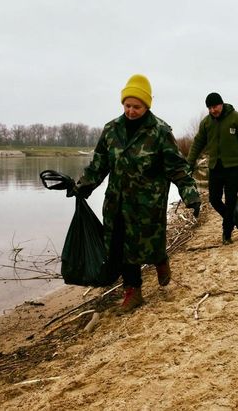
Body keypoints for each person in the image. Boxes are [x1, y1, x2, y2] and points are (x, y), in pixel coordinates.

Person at [70, 74, 201, 312]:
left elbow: (177, 167)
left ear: (146, 106)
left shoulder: (160, 131)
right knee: (120, 248)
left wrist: (190, 194)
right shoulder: (111, 130)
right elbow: (99, 165)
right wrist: (83, 186)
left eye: (136, 106)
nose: (131, 111)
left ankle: (160, 259)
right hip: (116, 204)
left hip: (147, 204)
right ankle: (133, 292)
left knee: (149, 245)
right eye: (127, 105)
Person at [187, 92, 238, 245]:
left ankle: (226, 233)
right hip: (215, 168)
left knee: (231, 201)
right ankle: (232, 219)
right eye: (210, 108)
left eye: (215, 107)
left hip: (233, 167)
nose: (213, 110)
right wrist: (189, 162)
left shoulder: (236, 118)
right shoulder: (206, 123)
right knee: (214, 199)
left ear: (221, 104)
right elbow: (198, 142)